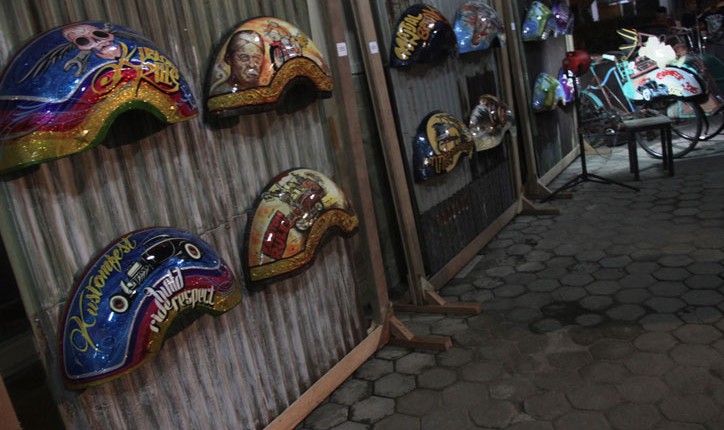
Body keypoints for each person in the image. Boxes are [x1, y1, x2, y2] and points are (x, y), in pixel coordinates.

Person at [213, 30, 265, 94]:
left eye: (257, 58)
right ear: (229, 59)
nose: (251, 64)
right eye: (244, 58)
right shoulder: (220, 93)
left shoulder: (266, 92)